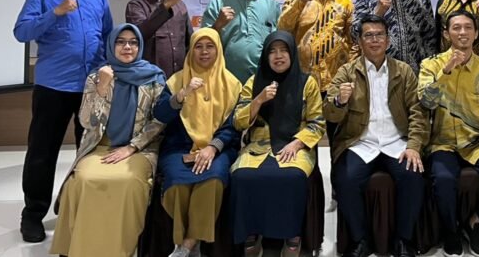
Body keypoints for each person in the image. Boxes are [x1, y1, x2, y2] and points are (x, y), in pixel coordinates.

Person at [13, 0, 113, 242]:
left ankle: (77, 205)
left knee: (89, 151)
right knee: (43, 152)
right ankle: (33, 215)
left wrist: (108, 69)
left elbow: (108, 35)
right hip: (53, 86)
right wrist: (54, 13)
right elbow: (22, 32)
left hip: (91, 87)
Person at [51, 23, 166, 257]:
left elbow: (159, 122)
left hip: (139, 149)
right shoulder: (97, 76)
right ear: (112, 46)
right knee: (83, 180)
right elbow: (86, 121)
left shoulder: (154, 78)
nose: (127, 47)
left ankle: (120, 250)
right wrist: (102, 87)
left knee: (129, 182)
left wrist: (132, 147)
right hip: (99, 146)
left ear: (140, 46)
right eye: (120, 42)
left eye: (133, 42)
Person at [326, 15, 428, 257]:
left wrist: (414, 146)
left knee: (413, 176)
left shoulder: (403, 71)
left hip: (396, 142)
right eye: (368, 35)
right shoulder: (347, 72)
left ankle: (403, 240)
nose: (374, 40)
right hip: (360, 142)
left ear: (388, 40)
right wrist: (339, 101)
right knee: (345, 179)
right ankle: (360, 240)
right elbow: (329, 113)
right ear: (360, 41)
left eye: (379, 35)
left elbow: (418, 112)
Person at [419, 10, 479, 257]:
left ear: (476, 33)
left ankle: (476, 223)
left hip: (477, 142)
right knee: (444, 180)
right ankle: (451, 230)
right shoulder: (431, 65)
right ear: (446, 33)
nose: (462, 33)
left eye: (468, 28)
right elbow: (426, 101)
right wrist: (447, 71)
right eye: (456, 28)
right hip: (443, 142)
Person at [230, 31, 326, 257]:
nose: (278, 56)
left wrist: (297, 144)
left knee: (291, 176)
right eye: (272, 51)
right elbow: (238, 122)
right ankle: (251, 232)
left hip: (295, 145)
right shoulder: (254, 82)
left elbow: (317, 123)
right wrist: (259, 100)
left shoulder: (307, 83)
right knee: (242, 176)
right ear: (265, 56)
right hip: (258, 146)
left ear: (292, 53)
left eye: (284, 50)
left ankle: (292, 235)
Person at [154, 28, 243, 257]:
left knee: (212, 180)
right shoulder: (176, 80)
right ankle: (189, 244)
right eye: (198, 47)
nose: (204, 52)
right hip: (180, 147)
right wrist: (181, 94)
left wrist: (213, 147)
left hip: (219, 148)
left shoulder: (232, 84)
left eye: (210, 46)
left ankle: (187, 244)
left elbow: (233, 126)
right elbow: (160, 115)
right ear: (190, 50)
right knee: (177, 184)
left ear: (218, 49)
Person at [278, 0, 354, 90]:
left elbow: (353, 42)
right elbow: (282, 30)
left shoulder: (345, 2)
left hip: (336, 80)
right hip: (302, 80)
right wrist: (300, 3)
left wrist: (349, 72)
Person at [202, 0, 280, 83]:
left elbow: (279, 40)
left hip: (265, 78)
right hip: (227, 79)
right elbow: (203, 42)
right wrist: (218, 25)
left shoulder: (271, 3)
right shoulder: (218, 3)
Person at [126, 0, 193, 78]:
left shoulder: (180, 5)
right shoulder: (136, 5)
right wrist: (166, 5)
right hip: (149, 79)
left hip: (179, 78)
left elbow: (189, 42)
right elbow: (139, 35)